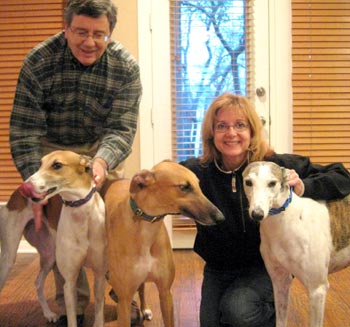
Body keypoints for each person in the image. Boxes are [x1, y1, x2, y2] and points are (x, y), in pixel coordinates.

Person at [9, 1, 142, 326]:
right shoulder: (38, 61)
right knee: (62, 224)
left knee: (117, 211)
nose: (90, 42)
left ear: (109, 33)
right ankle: (76, 306)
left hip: (101, 150)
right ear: (65, 28)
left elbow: (121, 130)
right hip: (52, 150)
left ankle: (120, 287)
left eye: (100, 34)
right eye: (81, 32)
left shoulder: (125, 67)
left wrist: (100, 163)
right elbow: (24, 130)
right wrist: (33, 186)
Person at [181, 92, 350, 327]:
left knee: (237, 312)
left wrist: (304, 186)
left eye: (240, 125)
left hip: (263, 266)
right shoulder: (199, 171)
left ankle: (265, 311)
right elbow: (162, 182)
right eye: (222, 126)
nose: (231, 133)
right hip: (219, 268)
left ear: (251, 132)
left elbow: (342, 176)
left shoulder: (275, 166)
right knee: (213, 321)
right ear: (211, 133)